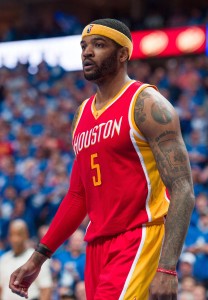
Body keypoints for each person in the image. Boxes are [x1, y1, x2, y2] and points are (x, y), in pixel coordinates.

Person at [9, 18, 195, 299]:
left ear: (123, 54)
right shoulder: (81, 115)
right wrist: (38, 259)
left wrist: (167, 267)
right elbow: (77, 195)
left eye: (98, 45)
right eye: (83, 46)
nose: (87, 52)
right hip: (96, 246)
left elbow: (183, 189)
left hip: (139, 235)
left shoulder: (146, 104)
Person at [0, 219, 53, 300]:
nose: (15, 239)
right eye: (12, 235)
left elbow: (46, 289)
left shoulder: (36, 258)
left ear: (26, 235)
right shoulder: (4, 259)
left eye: (18, 234)